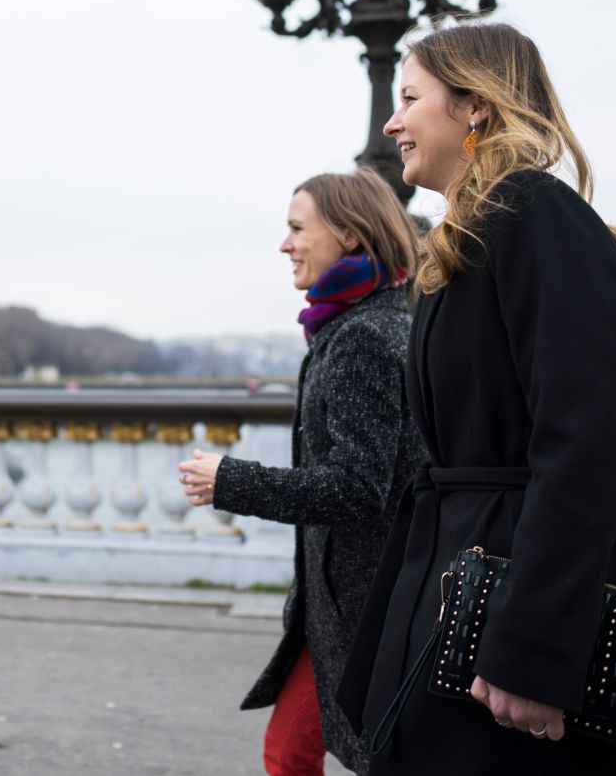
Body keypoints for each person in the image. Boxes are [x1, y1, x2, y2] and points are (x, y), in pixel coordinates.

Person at [335, 21, 616, 774]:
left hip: (519, 609)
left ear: (475, 105)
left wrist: (533, 648)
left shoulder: (536, 214)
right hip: (476, 586)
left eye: (410, 98)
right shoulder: (473, 236)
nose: (391, 123)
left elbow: (585, 444)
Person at [178, 168, 422, 775]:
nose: (285, 245)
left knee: (320, 755)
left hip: (370, 607)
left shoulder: (363, 336)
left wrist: (231, 481)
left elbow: (357, 488)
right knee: (290, 751)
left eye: (296, 229)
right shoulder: (367, 322)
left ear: (349, 233)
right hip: (349, 605)